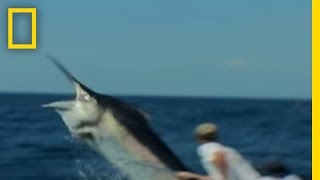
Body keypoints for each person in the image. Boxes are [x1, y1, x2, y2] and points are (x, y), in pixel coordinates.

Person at [175, 123, 301, 180]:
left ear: (198, 137)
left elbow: (218, 156)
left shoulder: (206, 148)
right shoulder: (229, 150)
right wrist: (195, 176)